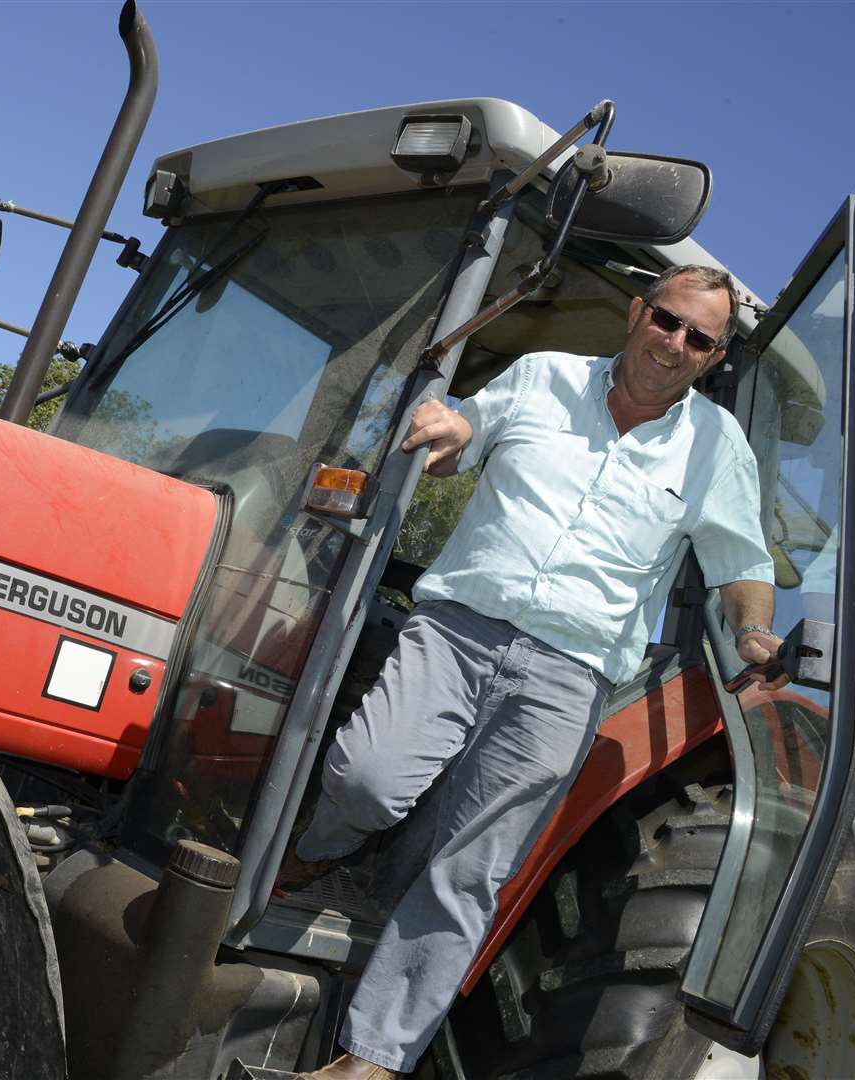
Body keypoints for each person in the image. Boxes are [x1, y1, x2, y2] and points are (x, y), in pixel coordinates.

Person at [287, 265, 787, 1080]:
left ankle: (371, 1060)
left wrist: (756, 630)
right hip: (460, 627)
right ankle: (322, 846)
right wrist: (448, 434)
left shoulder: (714, 448)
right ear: (638, 312)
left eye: (699, 338)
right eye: (667, 321)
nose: (675, 344)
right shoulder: (543, 375)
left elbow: (741, 563)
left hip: (569, 674)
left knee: (471, 869)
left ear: (715, 355)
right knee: (369, 777)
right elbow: (462, 438)